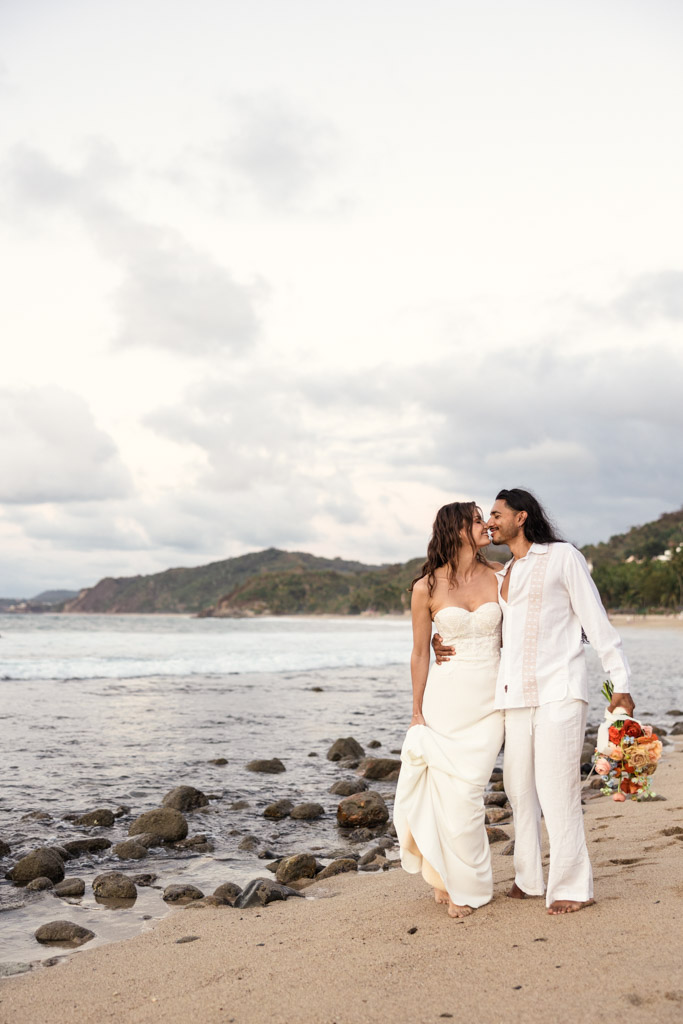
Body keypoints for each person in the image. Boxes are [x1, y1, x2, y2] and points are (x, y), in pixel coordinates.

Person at [433, 488, 634, 915]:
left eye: (496, 514)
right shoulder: (503, 576)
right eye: (485, 517)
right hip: (514, 695)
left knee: (557, 789)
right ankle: (528, 877)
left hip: (560, 690)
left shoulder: (563, 557)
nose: (489, 522)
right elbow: (474, 619)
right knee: (518, 788)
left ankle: (573, 886)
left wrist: (621, 682)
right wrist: (440, 639)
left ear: (521, 518)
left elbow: (598, 624)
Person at [393, 501, 505, 918]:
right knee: (449, 793)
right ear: (456, 529)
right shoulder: (426, 587)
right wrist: (417, 710)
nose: (485, 525)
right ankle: (455, 883)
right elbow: (420, 652)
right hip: (446, 698)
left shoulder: (501, 575)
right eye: (477, 520)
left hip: (493, 698)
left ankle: (459, 879)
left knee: (470, 790)